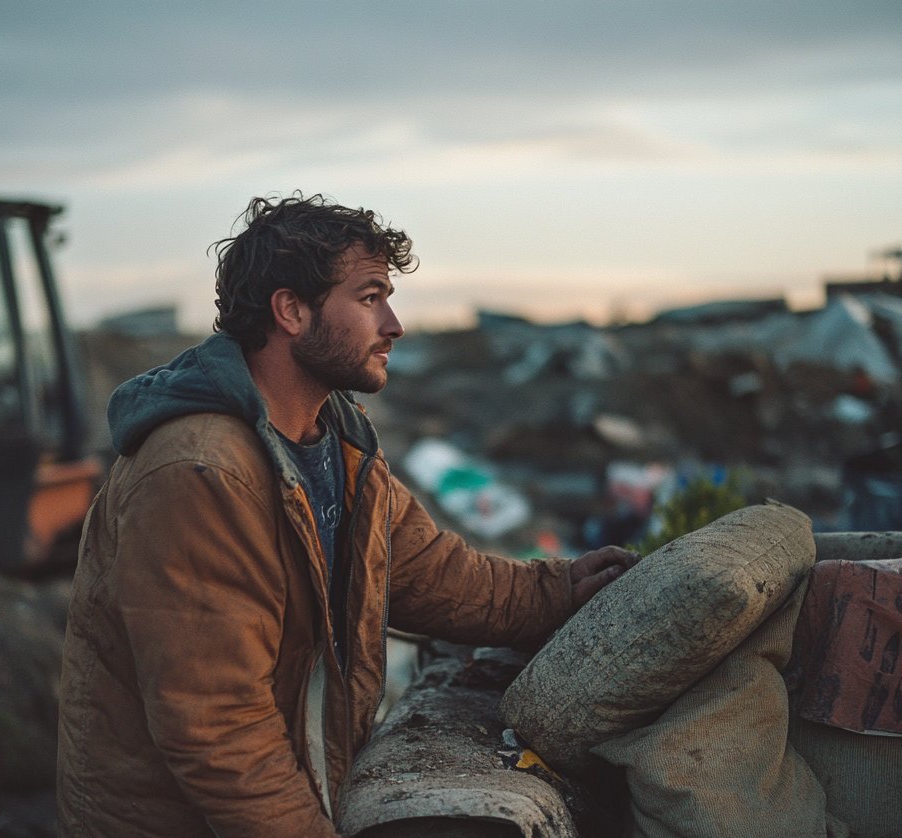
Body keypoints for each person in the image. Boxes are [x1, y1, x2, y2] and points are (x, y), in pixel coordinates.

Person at [56, 193, 638, 836]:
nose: (394, 325)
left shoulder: (334, 441)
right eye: (369, 299)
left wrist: (558, 590)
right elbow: (217, 728)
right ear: (291, 311)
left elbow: (426, 571)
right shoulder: (201, 474)